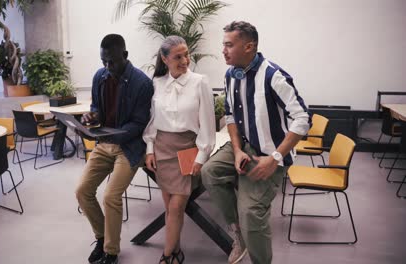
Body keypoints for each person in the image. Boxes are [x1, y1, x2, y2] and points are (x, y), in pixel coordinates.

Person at [201, 21, 311, 264]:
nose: (223, 50)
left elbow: (303, 119)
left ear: (249, 46)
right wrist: (238, 149)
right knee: (209, 172)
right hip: (244, 146)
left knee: (251, 213)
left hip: (270, 154)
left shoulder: (274, 76)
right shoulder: (231, 75)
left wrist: (276, 158)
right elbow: (230, 115)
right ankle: (237, 233)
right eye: (224, 45)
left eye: (229, 45)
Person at [75, 34, 154, 264]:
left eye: (112, 61)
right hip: (104, 144)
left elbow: (140, 124)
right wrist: (91, 116)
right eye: (103, 61)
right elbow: (96, 107)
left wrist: (113, 134)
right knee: (82, 191)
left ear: (125, 56)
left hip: (129, 147)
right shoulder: (100, 76)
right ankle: (101, 238)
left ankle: (111, 251)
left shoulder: (142, 83)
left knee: (111, 196)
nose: (107, 67)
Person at [143, 35, 216, 264]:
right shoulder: (156, 83)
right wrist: (149, 148)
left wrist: (202, 156)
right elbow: (152, 120)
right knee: (170, 210)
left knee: (175, 208)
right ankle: (175, 251)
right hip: (162, 150)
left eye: (186, 54)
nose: (185, 60)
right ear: (165, 59)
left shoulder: (200, 81)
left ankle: (166, 257)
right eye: (178, 56)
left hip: (187, 149)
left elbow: (207, 123)